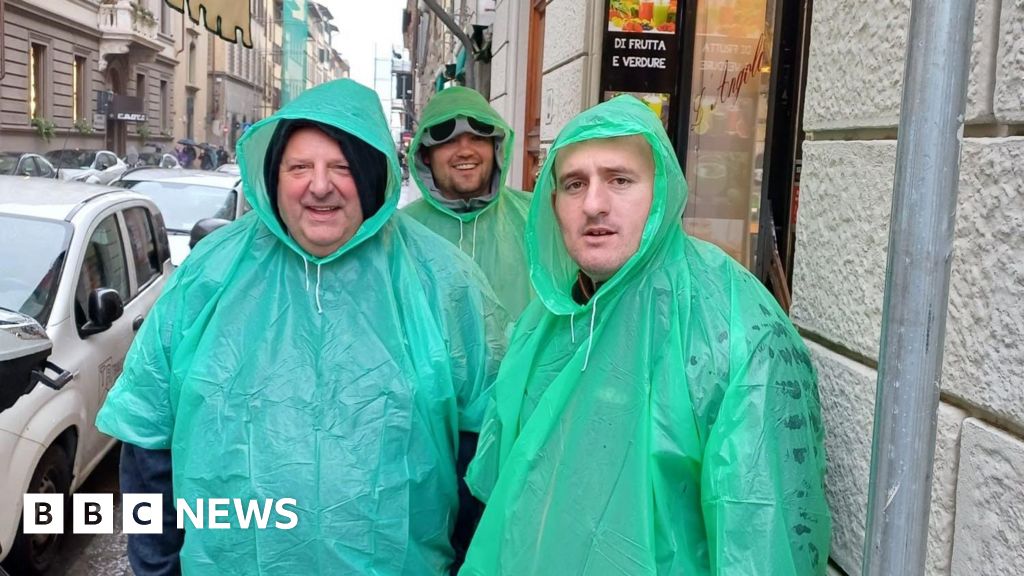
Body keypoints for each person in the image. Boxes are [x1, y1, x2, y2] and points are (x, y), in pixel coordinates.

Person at [97, 79, 508, 576]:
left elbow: (483, 453)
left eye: (342, 167)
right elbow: (148, 440)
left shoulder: (444, 282)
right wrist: (159, 569)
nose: (319, 185)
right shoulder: (210, 275)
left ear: (374, 173)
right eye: (300, 167)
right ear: (274, 176)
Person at [460, 95, 831, 575]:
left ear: (661, 193)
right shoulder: (546, 323)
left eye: (619, 180)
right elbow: (508, 499)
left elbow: (761, 534)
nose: (594, 204)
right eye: (575, 184)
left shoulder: (733, 327)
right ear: (552, 204)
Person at [402, 87, 533, 317]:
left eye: (477, 138)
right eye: (449, 141)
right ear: (426, 155)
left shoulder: (535, 218)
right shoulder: (401, 233)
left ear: (496, 149)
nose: (465, 151)